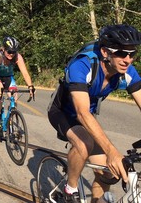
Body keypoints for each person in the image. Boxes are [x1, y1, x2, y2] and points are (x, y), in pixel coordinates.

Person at [48, 24, 141, 203]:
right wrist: (112, 151)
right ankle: (70, 189)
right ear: (105, 52)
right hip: (63, 112)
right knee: (84, 144)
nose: (127, 60)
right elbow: (82, 113)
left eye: (132, 54)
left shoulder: (127, 72)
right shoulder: (82, 65)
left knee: (106, 173)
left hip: (87, 116)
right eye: (121, 53)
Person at [0, 36, 35, 130]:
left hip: (8, 77)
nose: (12, 54)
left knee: (14, 96)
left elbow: (25, 73)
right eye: (9, 52)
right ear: (4, 49)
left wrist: (30, 86)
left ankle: (9, 117)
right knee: (0, 91)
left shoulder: (17, 57)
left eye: (14, 52)